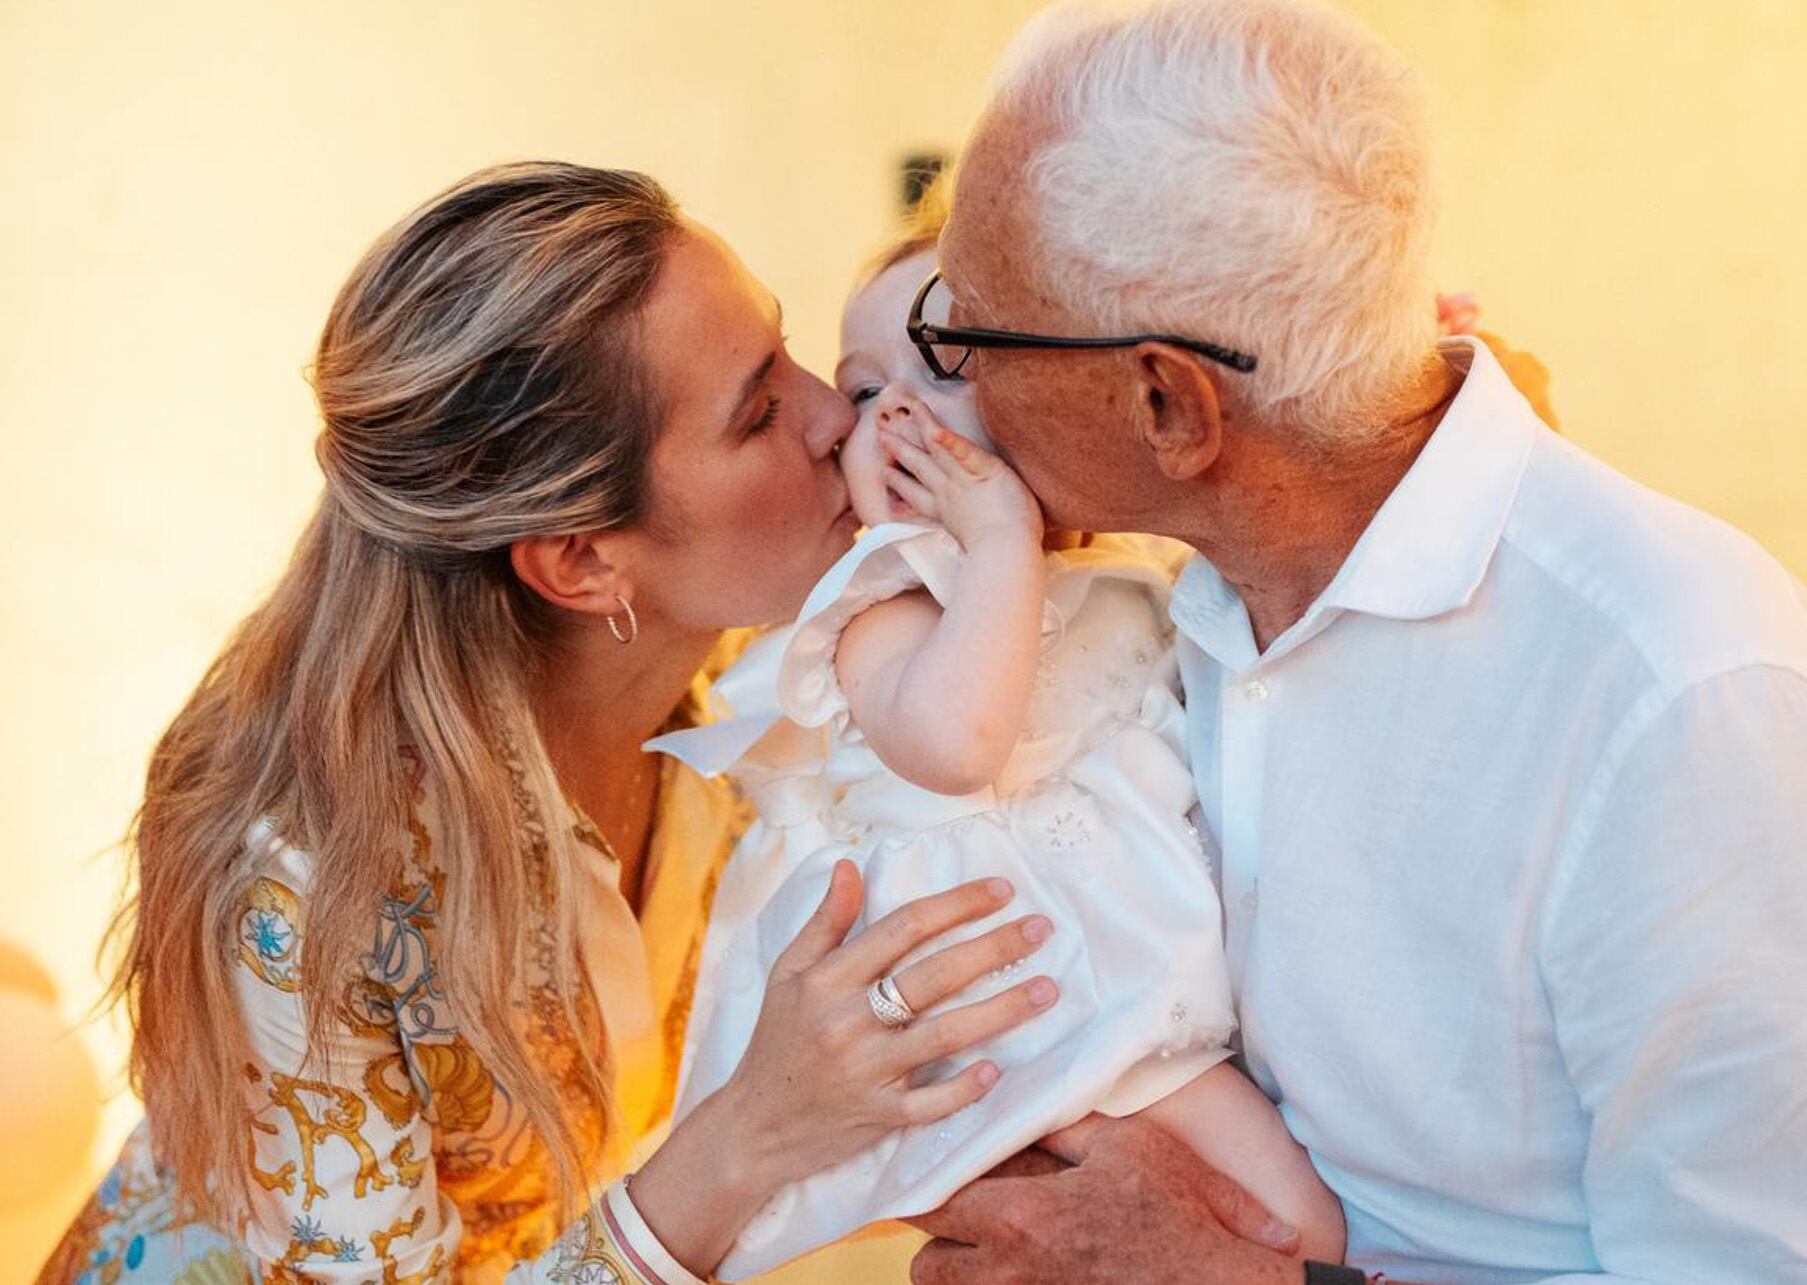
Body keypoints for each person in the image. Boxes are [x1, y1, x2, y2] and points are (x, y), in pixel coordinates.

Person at [908, 0, 1807, 1284]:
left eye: (962, 331)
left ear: (1168, 404)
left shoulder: (1688, 697)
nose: (941, 385)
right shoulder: (1181, 601)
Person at [37, 161, 1065, 1285]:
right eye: (758, 410)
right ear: (581, 563)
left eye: (780, 350)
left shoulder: (788, 673)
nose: (835, 413)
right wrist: (753, 1129)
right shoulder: (301, 883)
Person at [648, 207, 1344, 1278]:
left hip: (1153, 996)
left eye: (944, 366)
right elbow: (957, 745)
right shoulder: (879, 608)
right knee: (1297, 1228)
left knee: (1294, 1230)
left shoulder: (1124, 575)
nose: (889, 415)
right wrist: (998, 542)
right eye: (865, 390)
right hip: (1021, 1014)